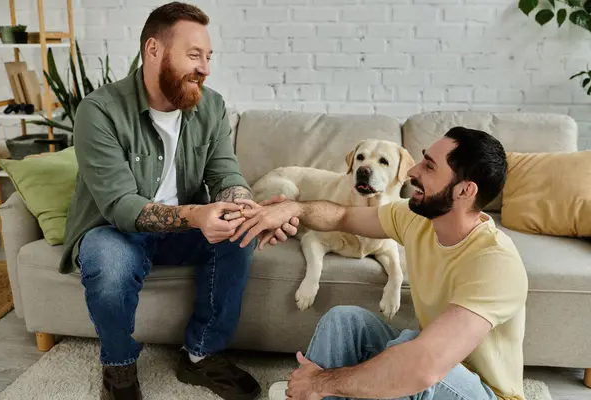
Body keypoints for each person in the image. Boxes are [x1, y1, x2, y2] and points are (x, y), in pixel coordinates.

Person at [59, 2, 298, 400]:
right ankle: (118, 367)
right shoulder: (98, 110)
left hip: (186, 228)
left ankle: (201, 356)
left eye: (208, 57)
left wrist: (249, 211)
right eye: (194, 56)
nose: (205, 67)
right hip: (113, 230)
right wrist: (196, 215)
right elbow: (120, 205)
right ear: (153, 50)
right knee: (110, 261)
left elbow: (225, 176)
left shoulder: (212, 106)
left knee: (240, 234)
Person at [226, 127, 529, 400]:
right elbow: (341, 216)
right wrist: (293, 208)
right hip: (432, 370)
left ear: (465, 191)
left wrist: (322, 381)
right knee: (344, 320)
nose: (412, 171)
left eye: (429, 166)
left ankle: (316, 391)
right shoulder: (416, 219)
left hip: (480, 393)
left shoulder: (495, 262)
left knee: (411, 349)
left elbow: (425, 366)